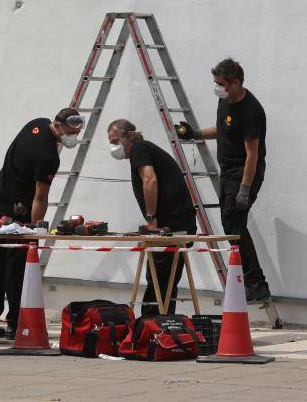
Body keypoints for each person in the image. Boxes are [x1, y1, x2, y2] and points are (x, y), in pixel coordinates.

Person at [0, 108, 84, 338]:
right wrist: (34, 229)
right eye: (70, 132)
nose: (72, 137)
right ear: (58, 125)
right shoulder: (49, 157)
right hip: (19, 210)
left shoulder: (36, 123)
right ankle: (15, 323)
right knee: (17, 266)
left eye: (76, 133)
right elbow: (40, 197)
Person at [176, 58, 270, 302]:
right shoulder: (224, 100)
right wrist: (195, 134)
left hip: (244, 172)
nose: (217, 88)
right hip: (228, 172)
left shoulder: (251, 110)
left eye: (221, 84)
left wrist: (245, 190)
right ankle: (252, 279)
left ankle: (256, 282)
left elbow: (253, 154)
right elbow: (222, 129)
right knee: (231, 225)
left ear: (236, 82)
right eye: (215, 83)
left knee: (234, 225)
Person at [107, 118, 197, 316]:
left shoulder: (139, 149)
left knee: (159, 277)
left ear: (128, 137)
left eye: (115, 141)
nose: (112, 147)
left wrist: (151, 219)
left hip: (171, 223)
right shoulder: (145, 149)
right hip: (179, 220)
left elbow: (150, 180)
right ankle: (163, 323)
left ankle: (151, 324)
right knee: (165, 280)